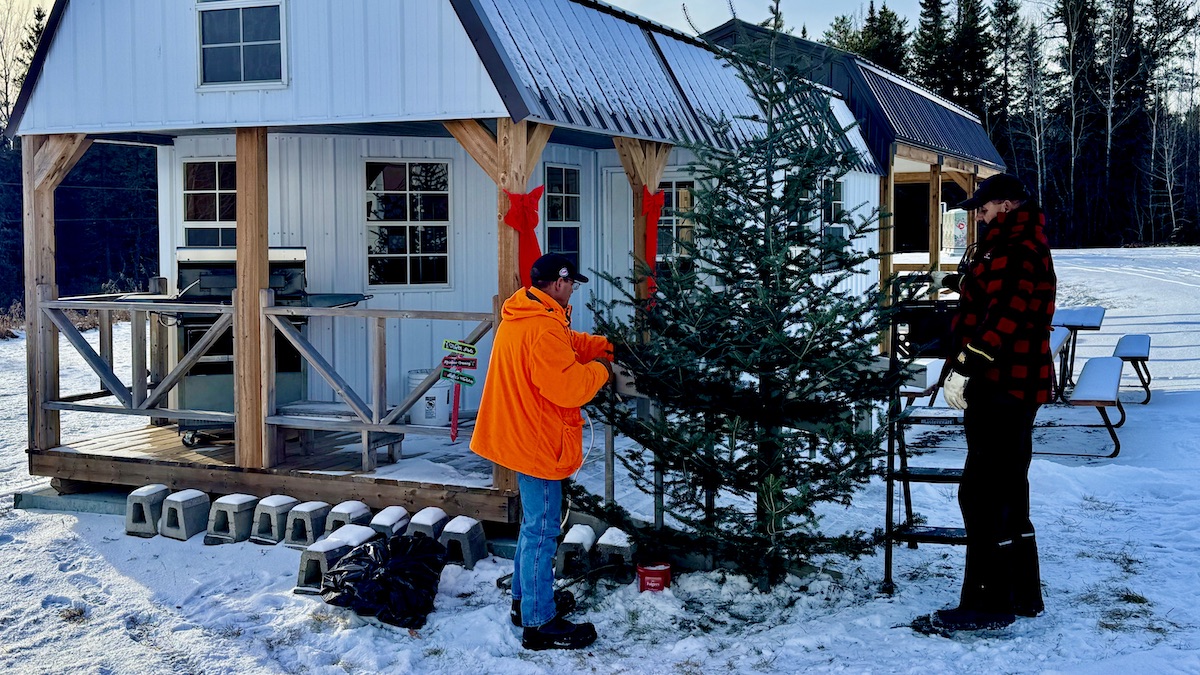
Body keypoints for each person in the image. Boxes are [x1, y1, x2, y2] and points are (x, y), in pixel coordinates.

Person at [918, 173, 1056, 634]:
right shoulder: (1009, 246)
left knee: (982, 492)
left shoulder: (1016, 250)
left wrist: (966, 365)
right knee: (1008, 486)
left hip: (1002, 383)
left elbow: (1006, 318)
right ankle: (1021, 593)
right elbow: (992, 295)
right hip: (1011, 383)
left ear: (1008, 204)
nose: (978, 214)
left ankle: (987, 603)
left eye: (984, 207)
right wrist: (958, 280)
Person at [471, 253, 613, 650]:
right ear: (559, 282)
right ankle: (539, 622)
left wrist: (605, 347)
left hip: (518, 435)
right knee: (544, 529)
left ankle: (525, 603)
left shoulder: (529, 313)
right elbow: (569, 387)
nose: (574, 291)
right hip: (536, 442)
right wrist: (603, 371)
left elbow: (568, 345)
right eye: (572, 284)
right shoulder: (544, 327)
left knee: (532, 526)